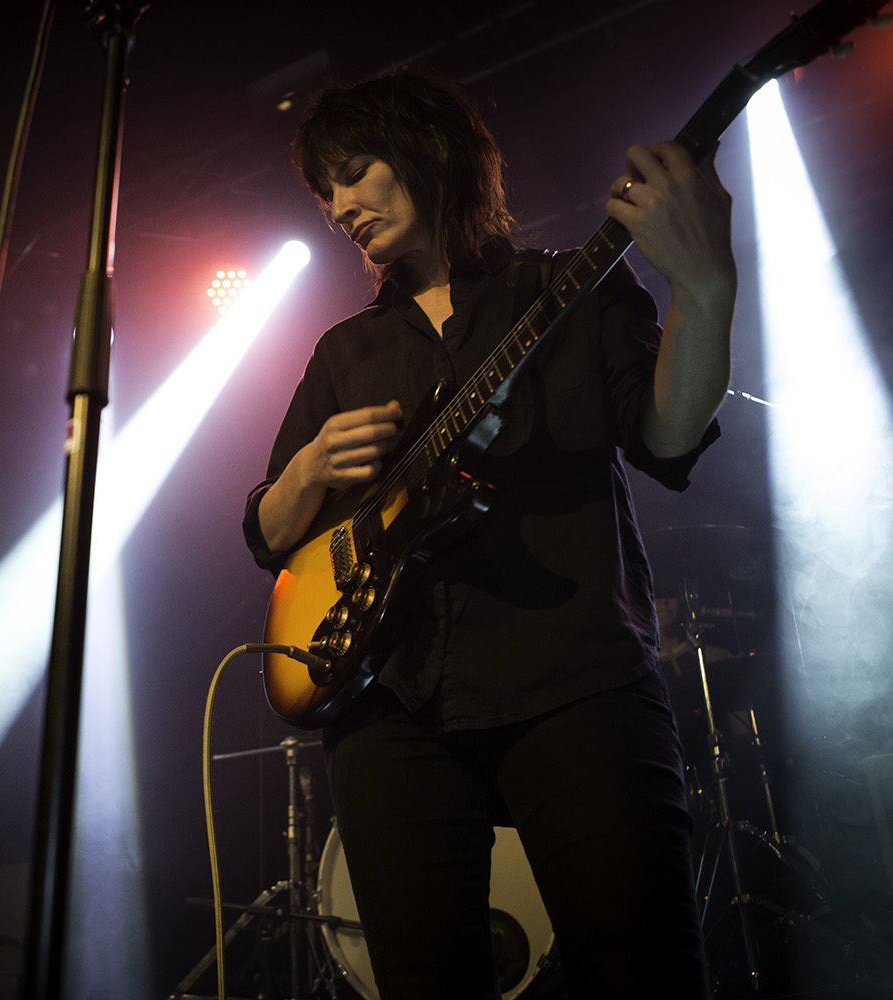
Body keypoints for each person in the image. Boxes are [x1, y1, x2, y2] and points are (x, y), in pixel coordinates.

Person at [242, 69, 734, 999]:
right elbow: (268, 536)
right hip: (391, 703)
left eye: (355, 172)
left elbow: (667, 437)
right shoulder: (345, 352)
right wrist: (305, 472)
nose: (340, 207)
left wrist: (706, 290)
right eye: (326, 192)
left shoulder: (564, 288)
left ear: (428, 150)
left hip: (575, 676)